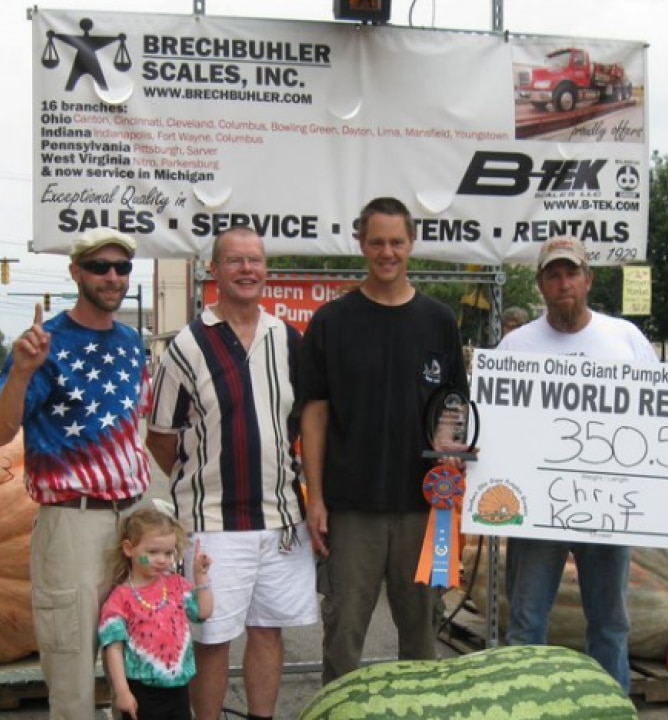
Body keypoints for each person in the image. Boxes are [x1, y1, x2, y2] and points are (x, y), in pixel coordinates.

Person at [146, 227, 317, 720]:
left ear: (266, 270)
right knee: (213, 638)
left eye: (255, 260)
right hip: (213, 524)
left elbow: (308, 420)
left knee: (268, 631)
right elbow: (160, 436)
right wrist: (197, 482)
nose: (247, 269)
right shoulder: (186, 346)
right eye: (235, 261)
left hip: (281, 518)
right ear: (213, 270)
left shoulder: (287, 339)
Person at [0, 227, 153, 720]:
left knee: (140, 661)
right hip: (72, 523)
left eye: (121, 268)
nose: (112, 277)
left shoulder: (130, 342)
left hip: (133, 521)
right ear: (76, 271)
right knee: (73, 669)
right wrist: (20, 373)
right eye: (100, 267)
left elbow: (137, 425)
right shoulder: (44, 345)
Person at [299, 197, 467, 684]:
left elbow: (454, 407)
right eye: (377, 242)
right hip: (352, 510)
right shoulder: (332, 322)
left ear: (411, 243)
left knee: (420, 637)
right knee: (345, 636)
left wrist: (451, 471)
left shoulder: (439, 321)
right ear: (361, 244)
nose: (387, 252)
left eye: (397, 242)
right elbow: (314, 413)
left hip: (422, 509)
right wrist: (317, 498)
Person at [498, 237, 658, 692]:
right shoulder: (516, 345)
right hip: (537, 514)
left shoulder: (625, 338)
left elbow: (661, 414)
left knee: (610, 623)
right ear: (540, 284)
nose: (563, 282)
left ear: (588, 279)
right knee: (526, 625)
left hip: (608, 508)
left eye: (572, 273)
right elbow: (492, 423)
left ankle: (610, 706)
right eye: (553, 274)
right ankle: (524, 705)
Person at [100, 507, 214, 720]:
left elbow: (204, 612)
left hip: (179, 689)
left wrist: (201, 577)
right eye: (152, 553)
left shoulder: (177, 585)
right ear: (129, 548)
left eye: (168, 553)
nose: (162, 560)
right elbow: (113, 648)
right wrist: (122, 691)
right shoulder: (120, 598)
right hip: (141, 691)